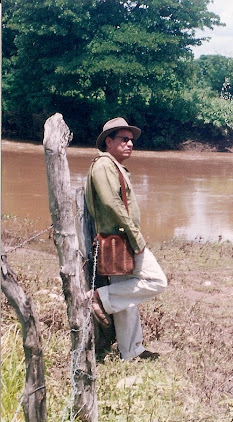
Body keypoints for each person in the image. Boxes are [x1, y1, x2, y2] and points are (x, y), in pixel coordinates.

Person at [85, 117, 167, 361]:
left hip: (119, 240)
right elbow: (112, 203)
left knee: (127, 297)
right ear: (108, 142)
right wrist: (136, 237)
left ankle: (132, 352)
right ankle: (99, 297)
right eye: (124, 139)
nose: (130, 143)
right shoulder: (103, 165)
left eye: (131, 140)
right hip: (120, 240)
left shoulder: (114, 165)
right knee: (157, 281)